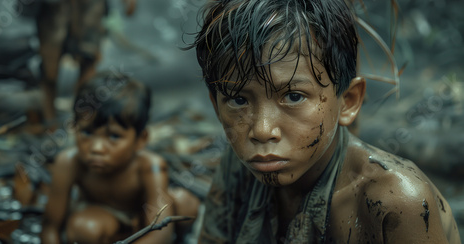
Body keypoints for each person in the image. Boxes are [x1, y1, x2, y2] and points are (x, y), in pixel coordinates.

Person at [188, 0, 461, 243]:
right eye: (238, 100)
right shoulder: (237, 169)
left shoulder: (396, 202)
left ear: (348, 101)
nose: (261, 131)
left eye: (293, 96)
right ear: (215, 105)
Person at [40, 72, 199, 244]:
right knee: (84, 228)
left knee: (185, 203)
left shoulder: (149, 166)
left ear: (141, 139)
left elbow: (161, 233)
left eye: (114, 136)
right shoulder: (69, 162)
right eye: (86, 132)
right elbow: (50, 227)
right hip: (102, 219)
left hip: (143, 223)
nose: (96, 148)